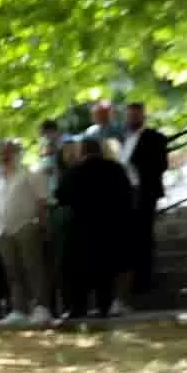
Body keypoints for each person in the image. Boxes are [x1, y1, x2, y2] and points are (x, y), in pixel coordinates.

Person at [56, 135, 132, 320]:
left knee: (79, 269)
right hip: (109, 225)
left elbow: (61, 196)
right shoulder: (115, 169)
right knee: (105, 268)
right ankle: (103, 305)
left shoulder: (74, 172)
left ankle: (78, 307)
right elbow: (127, 195)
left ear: (82, 151)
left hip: (81, 227)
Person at [0, 134, 54, 322]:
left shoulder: (31, 173)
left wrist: (41, 225)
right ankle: (19, 309)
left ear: (17, 153)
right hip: (4, 230)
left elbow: (42, 201)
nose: (4, 156)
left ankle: (42, 307)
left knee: (34, 268)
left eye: (8, 152)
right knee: (13, 271)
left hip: (27, 225)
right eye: (1, 153)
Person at [123, 100, 171, 305]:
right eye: (129, 115)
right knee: (132, 237)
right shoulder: (124, 140)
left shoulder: (154, 137)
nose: (132, 119)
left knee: (144, 234)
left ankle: (145, 278)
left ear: (142, 116)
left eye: (135, 115)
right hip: (127, 194)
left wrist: (138, 168)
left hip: (145, 192)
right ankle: (135, 278)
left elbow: (161, 164)